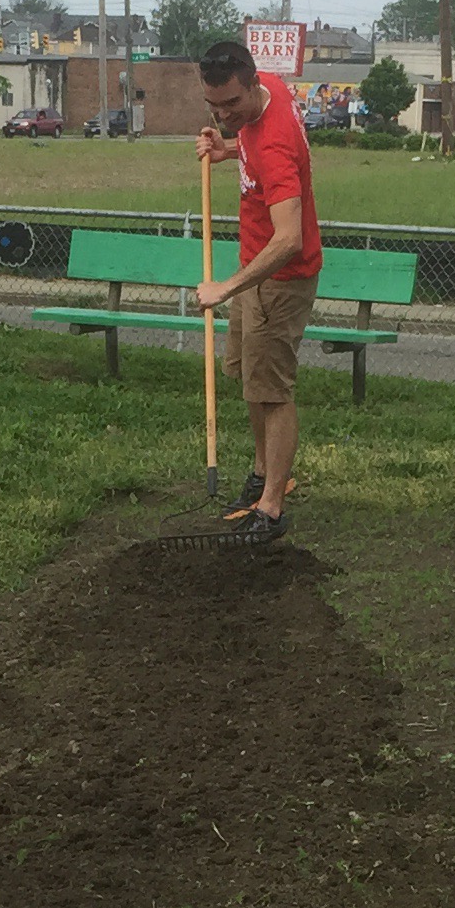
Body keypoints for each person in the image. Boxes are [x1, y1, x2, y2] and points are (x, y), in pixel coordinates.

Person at [191, 38, 323, 543]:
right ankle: (263, 473)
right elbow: (244, 133)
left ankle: (271, 507)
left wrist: (226, 288)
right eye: (214, 105)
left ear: (251, 85)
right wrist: (226, 149)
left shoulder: (274, 144)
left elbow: (289, 240)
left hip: (280, 279)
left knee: (273, 390)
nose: (224, 114)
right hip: (255, 267)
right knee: (251, 378)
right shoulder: (266, 86)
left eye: (231, 105)